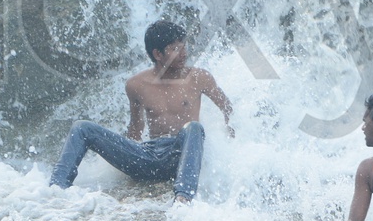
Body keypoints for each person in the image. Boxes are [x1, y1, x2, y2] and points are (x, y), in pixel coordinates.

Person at [49, 20, 234, 203]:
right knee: (82, 128)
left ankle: (183, 198)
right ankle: (56, 189)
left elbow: (227, 108)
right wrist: (125, 155)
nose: (183, 53)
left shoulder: (199, 78)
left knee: (194, 127)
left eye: (183, 46)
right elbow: (136, 129)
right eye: (175, 49)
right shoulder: (136, 84)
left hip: (180, 154)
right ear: (157, 54)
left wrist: (230, 136)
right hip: (148, 156)